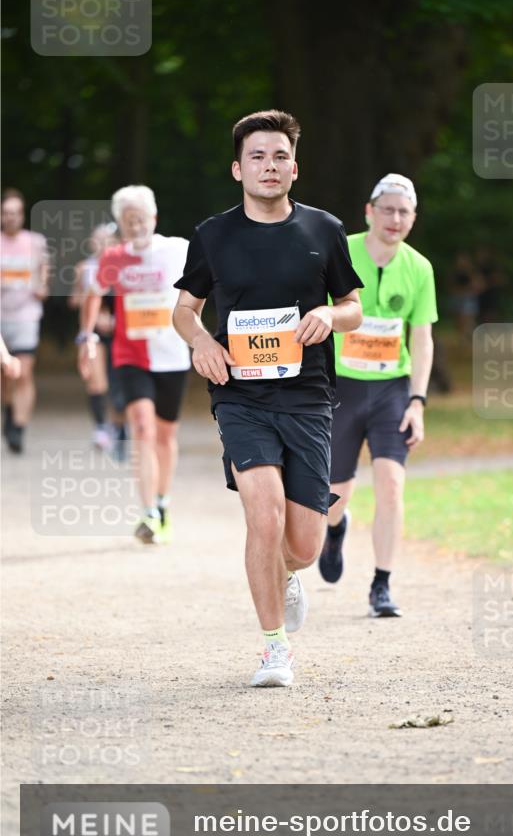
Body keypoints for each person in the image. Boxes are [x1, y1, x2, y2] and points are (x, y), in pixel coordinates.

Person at [172, 109, 362, 688]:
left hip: (307, 396)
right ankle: (274, 649)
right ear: (238, 168)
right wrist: (201, 340)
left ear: (294, 167)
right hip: (239, 397)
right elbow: (183, 310)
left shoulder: (323, 230)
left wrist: (330, 314)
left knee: (303, 544)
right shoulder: (213, 235)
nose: (269, 165)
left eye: (280, 156)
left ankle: (289, 575)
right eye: (257, 156)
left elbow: (355, 307)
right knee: (263, 512)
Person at [318, 173, 437, 617]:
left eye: (404, 212)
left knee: (391, 485)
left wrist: (418, 401)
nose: (395, 218)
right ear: (369, 212)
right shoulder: (340, 250)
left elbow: (422, 337)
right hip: (341, 386)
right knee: (335, 493)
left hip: (392, 390)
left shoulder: (420, 268)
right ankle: (334, 531)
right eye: (386, 209)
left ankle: (381, 585)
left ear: (413, 219)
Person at [78, 185, 190, 543]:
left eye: (140, 219)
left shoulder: (178, 249)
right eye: (128, 221)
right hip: (130, 355)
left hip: (172, 355)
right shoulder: (113, 258)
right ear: (120, 225)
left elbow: (206, 284)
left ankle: (162, 501)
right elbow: (93, 294)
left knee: (165, 434)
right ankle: (149, 513)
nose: (136, 226)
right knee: (142, 428)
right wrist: (88, 337)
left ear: (153, 218)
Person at [69, 223, 126, 453]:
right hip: (93, 333)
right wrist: (88, 298)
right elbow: (73, 300)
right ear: (92, 243)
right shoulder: (84, 268)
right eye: (98, 239)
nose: (103, 244)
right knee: (96, 381)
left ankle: (120, 427)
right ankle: (101, 428)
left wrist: (114, 319)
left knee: (119, 383)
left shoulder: (125, 267)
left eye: (108, 240)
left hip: (121, 332)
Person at [0, 188, 49, 454]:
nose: (10, 218)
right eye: (6, 213)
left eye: (15, 213)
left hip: (25, 316)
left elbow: (45, 274)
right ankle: (9, 410)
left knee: (24, 372)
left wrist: (41, 286)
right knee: (5, 377)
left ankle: (18, 428)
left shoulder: (36, 241)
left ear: (22, 215)